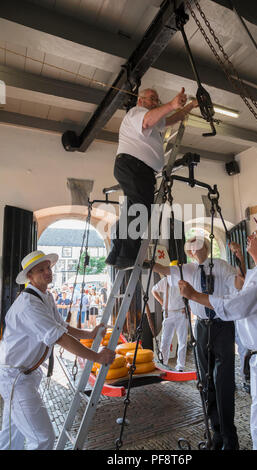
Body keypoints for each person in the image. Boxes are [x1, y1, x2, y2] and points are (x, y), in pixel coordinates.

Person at [178, 220, 257, 450]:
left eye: (255, 235)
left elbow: (238, 306)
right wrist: (241, 265)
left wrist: (195, 295)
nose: (250, 237)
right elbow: (243, 293)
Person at [0, 250, 115, 450]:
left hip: (25, 374)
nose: (47, 272)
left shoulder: (46, 297)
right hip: (15, 378)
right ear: (30, 276)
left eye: (48, 268)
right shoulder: (28, 305)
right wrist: (96, 357)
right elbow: (60, 337)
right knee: (43, 438)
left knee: (11, 435)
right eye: (41, 270)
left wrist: (90, 334)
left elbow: (63, 327)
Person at [152, 237, 244, 450]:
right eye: (191, 245)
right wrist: (145, 261)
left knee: (224, 382)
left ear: (206, 247)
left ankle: (230, 439)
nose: (195, 248)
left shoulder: (221, 265)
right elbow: (164, 270)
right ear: (191, 253)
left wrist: (240, 263)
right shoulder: (187, 269)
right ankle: (217, 432)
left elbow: (239, 284)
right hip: (202, 327)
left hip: (222, 325)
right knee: (206, 381)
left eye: (198, 243)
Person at [105, 87, 199, 269]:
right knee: (140, 210)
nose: (155, 102)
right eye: (152, 98)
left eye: (157, 99)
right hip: (135, 167)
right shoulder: (136, 112)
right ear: (140, 101)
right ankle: (127, 255)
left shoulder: (154, 120)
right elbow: (147, 121)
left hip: (136, 169)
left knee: (132, 211)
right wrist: (171, 104)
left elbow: (172, 119)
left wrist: (190, 106)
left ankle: (117, 252)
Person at [151, 261, 188, 372]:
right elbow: (154, 290)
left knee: (182, 341)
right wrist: (162, 302)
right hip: (168, 314)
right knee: (165, 341)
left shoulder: (184, 281)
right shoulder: (166, 281)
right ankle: (164, 363)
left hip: (182, 313)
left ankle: (180, 367)